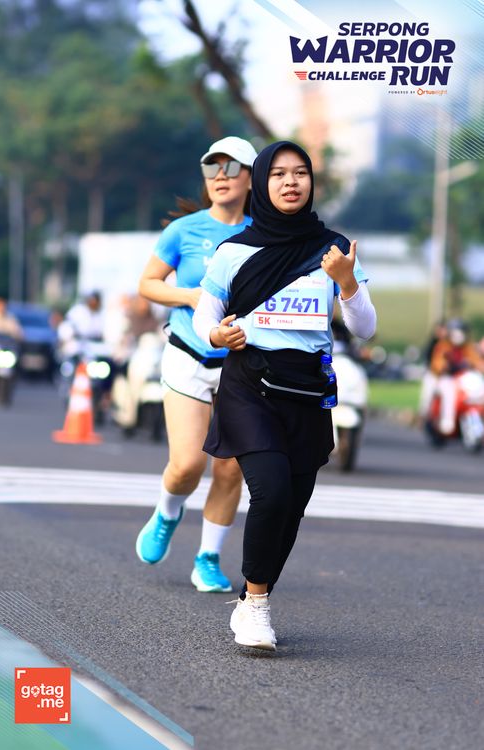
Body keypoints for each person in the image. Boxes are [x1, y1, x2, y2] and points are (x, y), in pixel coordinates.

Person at [193, 141, 376, 650]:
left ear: (312, 182)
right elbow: (206, 314)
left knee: (291, 507)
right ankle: (255, 606)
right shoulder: (234, 251)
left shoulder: (334, 250)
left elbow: (365, 327)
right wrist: (216, 335)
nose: (291, 182)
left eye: (300, 173)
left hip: (308, 389)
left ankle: (255, 593)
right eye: (278, 174)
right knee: (271, 490)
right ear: (261, 183)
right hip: (250, 384)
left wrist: (346, 283)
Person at [135, 136, 258, 593]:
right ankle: (167, 512)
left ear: (251, 178)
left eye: (232, 168)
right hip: (188, 354)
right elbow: (148, 284)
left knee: (230, 468)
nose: (220, 176)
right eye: (212, 168)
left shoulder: (263, 233)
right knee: (187, 465)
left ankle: (207, 557)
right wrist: (188, 296)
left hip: (242, 364)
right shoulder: (183, 230)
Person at [429, 318, 484, 434]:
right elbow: (437, 363)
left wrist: (477, 366)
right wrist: (445, 366)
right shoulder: (443, 346)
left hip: (462, 378)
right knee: (449, 391)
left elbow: (477, 362)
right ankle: (447, 420)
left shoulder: (468, 347)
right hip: (446, 378)